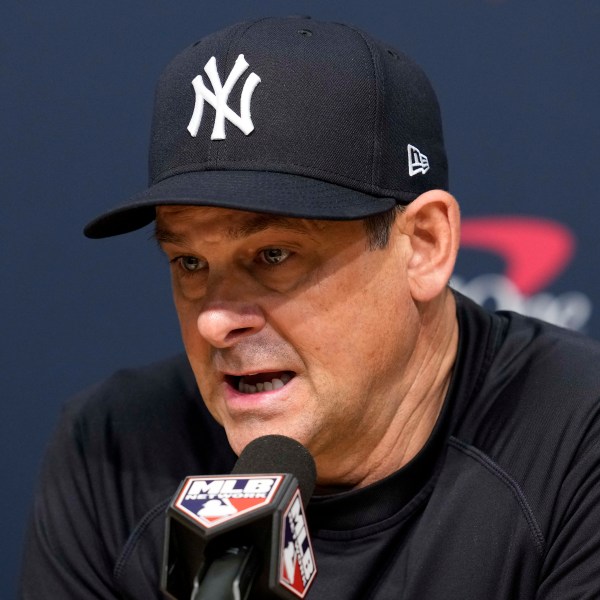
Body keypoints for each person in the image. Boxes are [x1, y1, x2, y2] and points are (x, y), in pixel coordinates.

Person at [19, 16, 600, 600]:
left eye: (273, 255)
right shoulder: (112, 448)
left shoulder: (576, 438)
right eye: (189, 263)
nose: (214, 322)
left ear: (423, 245)